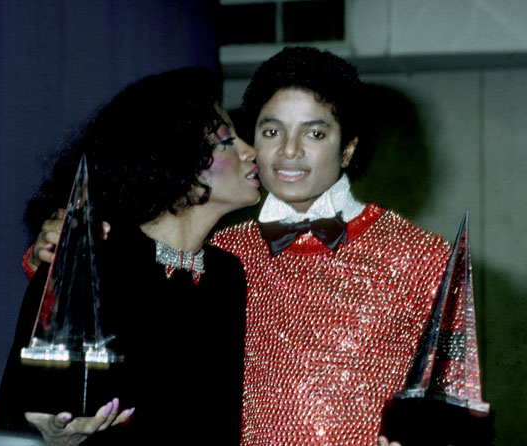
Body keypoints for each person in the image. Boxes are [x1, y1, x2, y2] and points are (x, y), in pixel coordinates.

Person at [23, 48, 452, 446]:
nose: (289, 151)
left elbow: (453, 408)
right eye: (271, 131)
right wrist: (51, 252)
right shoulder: (219, 255)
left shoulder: (422, 257)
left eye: (315, 133)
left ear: (348, 148)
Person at [0, 67, 261, 446]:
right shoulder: (89, 259)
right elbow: (18, 414)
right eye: (227, 141)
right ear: (175, 157)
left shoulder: (227, 274)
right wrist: (51, 438)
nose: (250, 151)